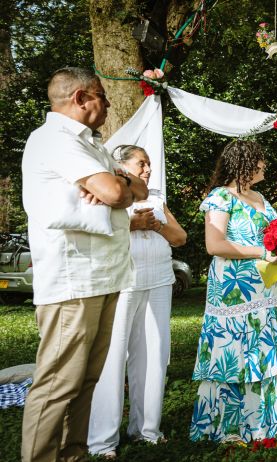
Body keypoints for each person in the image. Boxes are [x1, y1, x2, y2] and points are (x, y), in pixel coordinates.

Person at [20, 67, 148, 461]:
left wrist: (117, 184)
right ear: (80, 98)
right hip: (72, 280)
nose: (108, 104)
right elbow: (115, 190)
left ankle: (73, 455)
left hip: (104, 275)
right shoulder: (54, 140)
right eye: (102, 96)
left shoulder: (94, 145)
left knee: (86, 379)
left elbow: (138, 188)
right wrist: (115, 185)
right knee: (60, 383)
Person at [88, 146, 187, 458]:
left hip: (159, 280)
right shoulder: (110, 193)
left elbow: (181, 237)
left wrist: (156, 224)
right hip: (123, 281)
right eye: (141, 164)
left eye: (148, 164)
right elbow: (97, 232)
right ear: (123, 166)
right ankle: (103, 441)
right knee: (113, 357)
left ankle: (146, 429)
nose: (147, 169)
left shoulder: (157, 198)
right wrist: (133, 224)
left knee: (154, 354)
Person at [189, 140, 277, 443]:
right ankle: (228, 427)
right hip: (233, 288)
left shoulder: (260, 196)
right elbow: (215, 245)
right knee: (232, 350)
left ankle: (264, 425)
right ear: (245, 163)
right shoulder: (220, 197)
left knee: (261, 347)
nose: (264, 165)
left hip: (263, 285)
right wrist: (261, 250)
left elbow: (270, 235)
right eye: (260, 160)